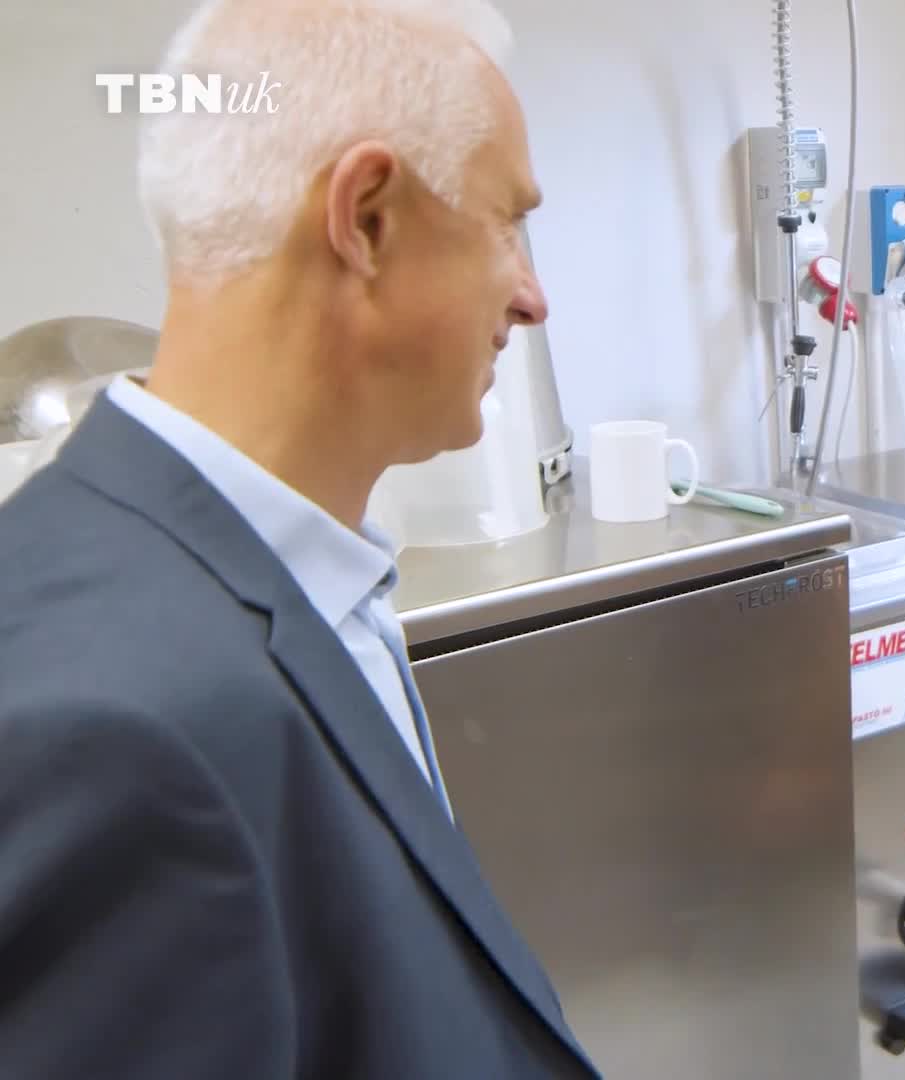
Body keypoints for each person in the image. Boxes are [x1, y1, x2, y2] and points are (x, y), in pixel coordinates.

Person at [0, 0, 598, 1075]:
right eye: (508, 225)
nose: (532, 297)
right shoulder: (112, 728)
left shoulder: (300, 580)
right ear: (366, 219)